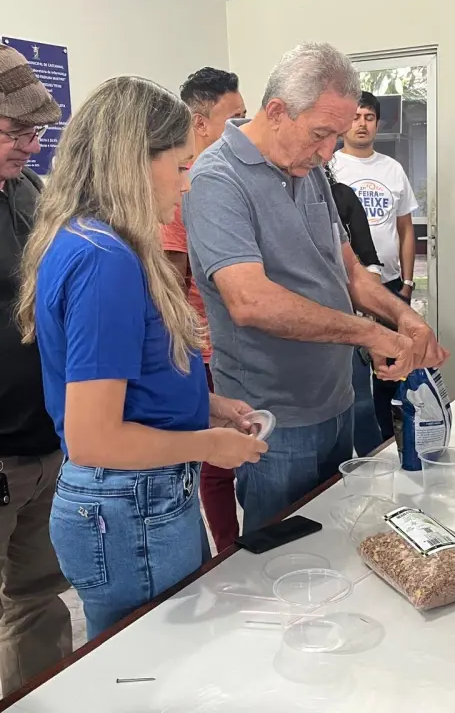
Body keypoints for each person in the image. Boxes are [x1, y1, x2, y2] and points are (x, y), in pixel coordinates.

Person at [16, 76, 266, 640]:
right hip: (129, 503)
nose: (186, 184)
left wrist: (209, 406)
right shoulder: (104, 258)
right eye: (180, 166)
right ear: (133, 161)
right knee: (155, 660)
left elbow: (129, 382)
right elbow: (94, 437)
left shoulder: (98, 241)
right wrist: (209, 445)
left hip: (137, 498)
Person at [184, 42, 448, 533]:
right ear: (277, 112)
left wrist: (404, 316)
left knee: (338, 538)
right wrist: (370, 334)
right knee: (283, 554)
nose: (329, 151)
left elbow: (348, 271)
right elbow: (249, 300)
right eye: (321, 134)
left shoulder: (308, 169)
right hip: (275, 415)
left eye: (337, 137)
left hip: (335, 400)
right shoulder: (217, 178)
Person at [0, 44, 73, 694]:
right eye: (16, 131)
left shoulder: (28, 191)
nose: (31, 145)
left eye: (36, 131)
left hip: (44, 438)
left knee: (38, 597)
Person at [161, 68, 246, 554]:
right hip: (204, 349)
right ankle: (229, 550)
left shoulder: (227, 178)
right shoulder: (183, 189)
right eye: (234, 118)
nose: (243, 128)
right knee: (215, 462)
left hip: (236, 342)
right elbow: (173, 284)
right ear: (200, 122)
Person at [332, 91, 419, 440]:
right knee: (353, 376)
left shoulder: (392, 169)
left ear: (377, 124)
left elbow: (406, 229)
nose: (362, 124)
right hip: (348, 287)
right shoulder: (330, 167)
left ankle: (390, 440)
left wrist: (407, 284)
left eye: (369, 117)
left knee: (392, 370)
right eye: (355, 117)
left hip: (390, 284)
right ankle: (361, 446)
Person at [324, 161, 383, 456]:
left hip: (349, 317)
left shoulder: (341, 195)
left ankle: (374, 467)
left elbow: (368, 261)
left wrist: (371, 322)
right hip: (302, 328)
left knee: (361, 405)